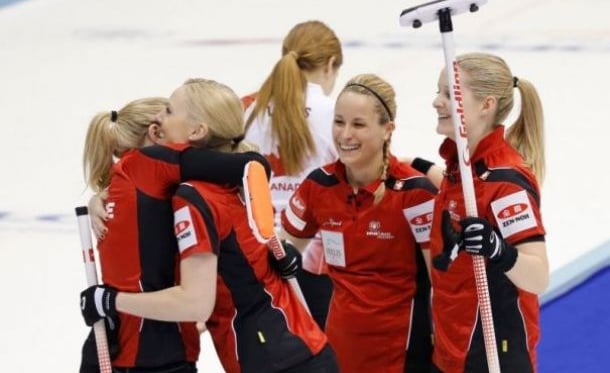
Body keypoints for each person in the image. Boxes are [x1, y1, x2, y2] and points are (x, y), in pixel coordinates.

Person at [81, 78, 340, 373]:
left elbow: (196, 301)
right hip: (295, 349)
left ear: (197, 131)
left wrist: (112, 301)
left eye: (168, 111)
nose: (159, 120)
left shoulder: (194, 195)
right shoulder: (233, 186)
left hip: (272, 357)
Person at [79, 96, 269, 373]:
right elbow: (251, 168)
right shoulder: (150, 162)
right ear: (156, 133)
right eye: (170, 116)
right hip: (154, 355)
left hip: (113, 346)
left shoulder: (126, 180)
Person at [280, 73, 437, 373]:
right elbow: (282, 250)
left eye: (358, 124)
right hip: (340, 349)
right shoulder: (319, 185)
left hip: (402, 354)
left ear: (387, 130)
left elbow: (442, 282)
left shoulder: (415, 194)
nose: (345, 134)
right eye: (339, 122)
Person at [426, 52, 549, 373]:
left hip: (492, 350)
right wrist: (420, 168)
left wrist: (497, 248)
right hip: (451, 342)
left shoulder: (506, 183)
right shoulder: (462, 166)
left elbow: (538, 277)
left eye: (449, 94)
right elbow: (467, 200)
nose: (436, 102)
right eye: (438, 91)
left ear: (486, 105)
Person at [242, 20, 343, 330]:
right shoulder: (335, 112)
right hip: (315, 260)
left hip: (256, 256)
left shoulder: (247, 110)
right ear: (329, 66)